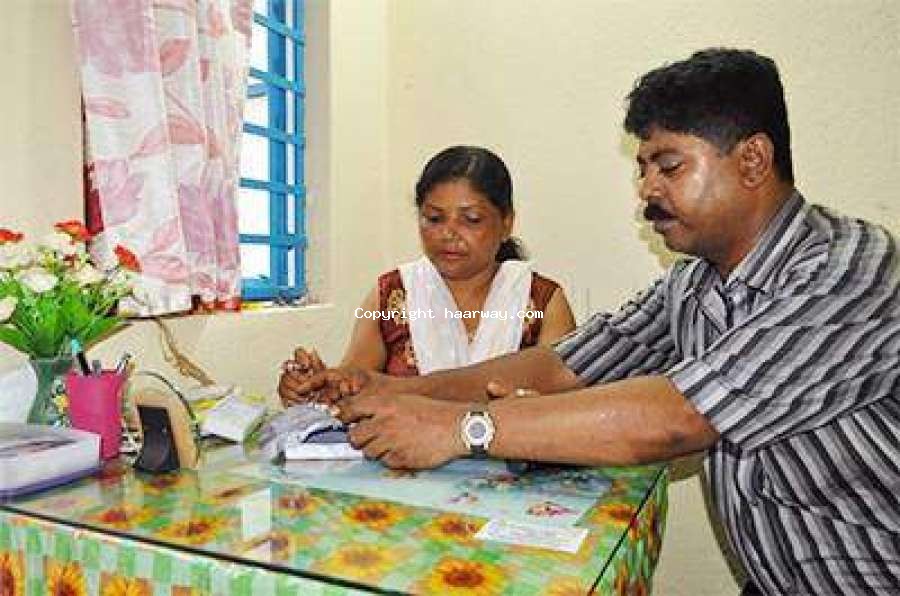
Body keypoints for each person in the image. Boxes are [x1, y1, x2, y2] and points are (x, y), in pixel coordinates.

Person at [282, 49, 900, 595]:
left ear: (753, 160)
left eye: (668, 166)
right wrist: (395, 390)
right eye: (642, 169)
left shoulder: (850, 267)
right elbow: (566, 362)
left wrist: (462, 426)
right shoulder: (692, 283)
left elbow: (678, 416)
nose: (646, 190)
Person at [279, 145, 576, 404]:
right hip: (401, 452)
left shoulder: (543, 301)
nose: (448, 234)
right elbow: (351, 383)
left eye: (471, 219)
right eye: (434, 218)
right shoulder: (391, 295)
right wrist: (315, 385)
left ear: (507, 223)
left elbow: (567, 404)